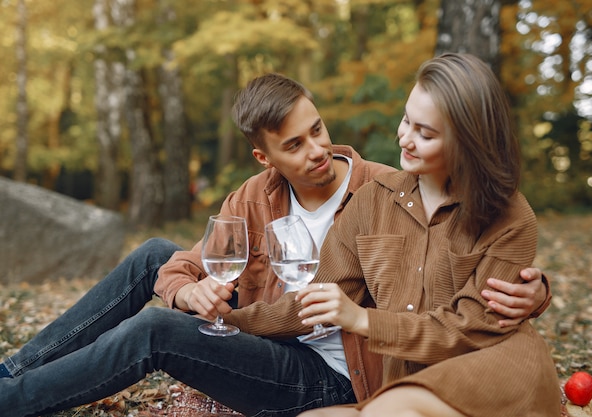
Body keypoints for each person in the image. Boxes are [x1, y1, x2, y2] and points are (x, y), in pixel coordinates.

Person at [0, 72, 550, 417]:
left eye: (317, 129)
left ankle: (10, 400)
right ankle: (15, 372)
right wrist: (188, 298)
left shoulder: (382, 187)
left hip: (335, 371)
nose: (316, 150)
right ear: (266, 158)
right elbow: (188, 266)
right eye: (294, 144)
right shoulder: (255, 196)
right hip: (276, 329)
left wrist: (536, 291)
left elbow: (461, 279)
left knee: (153, 330)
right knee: (153, 254)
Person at [223, 54, 561, 416]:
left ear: (467, 142)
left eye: (425, 133)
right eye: (405, 120)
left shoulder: (509, 215)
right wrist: (222, 323)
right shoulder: (371, 200)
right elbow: (312, 304)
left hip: (490, 368)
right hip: (403, 381)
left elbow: (469, 330)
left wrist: (362, 320)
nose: (405, 138)